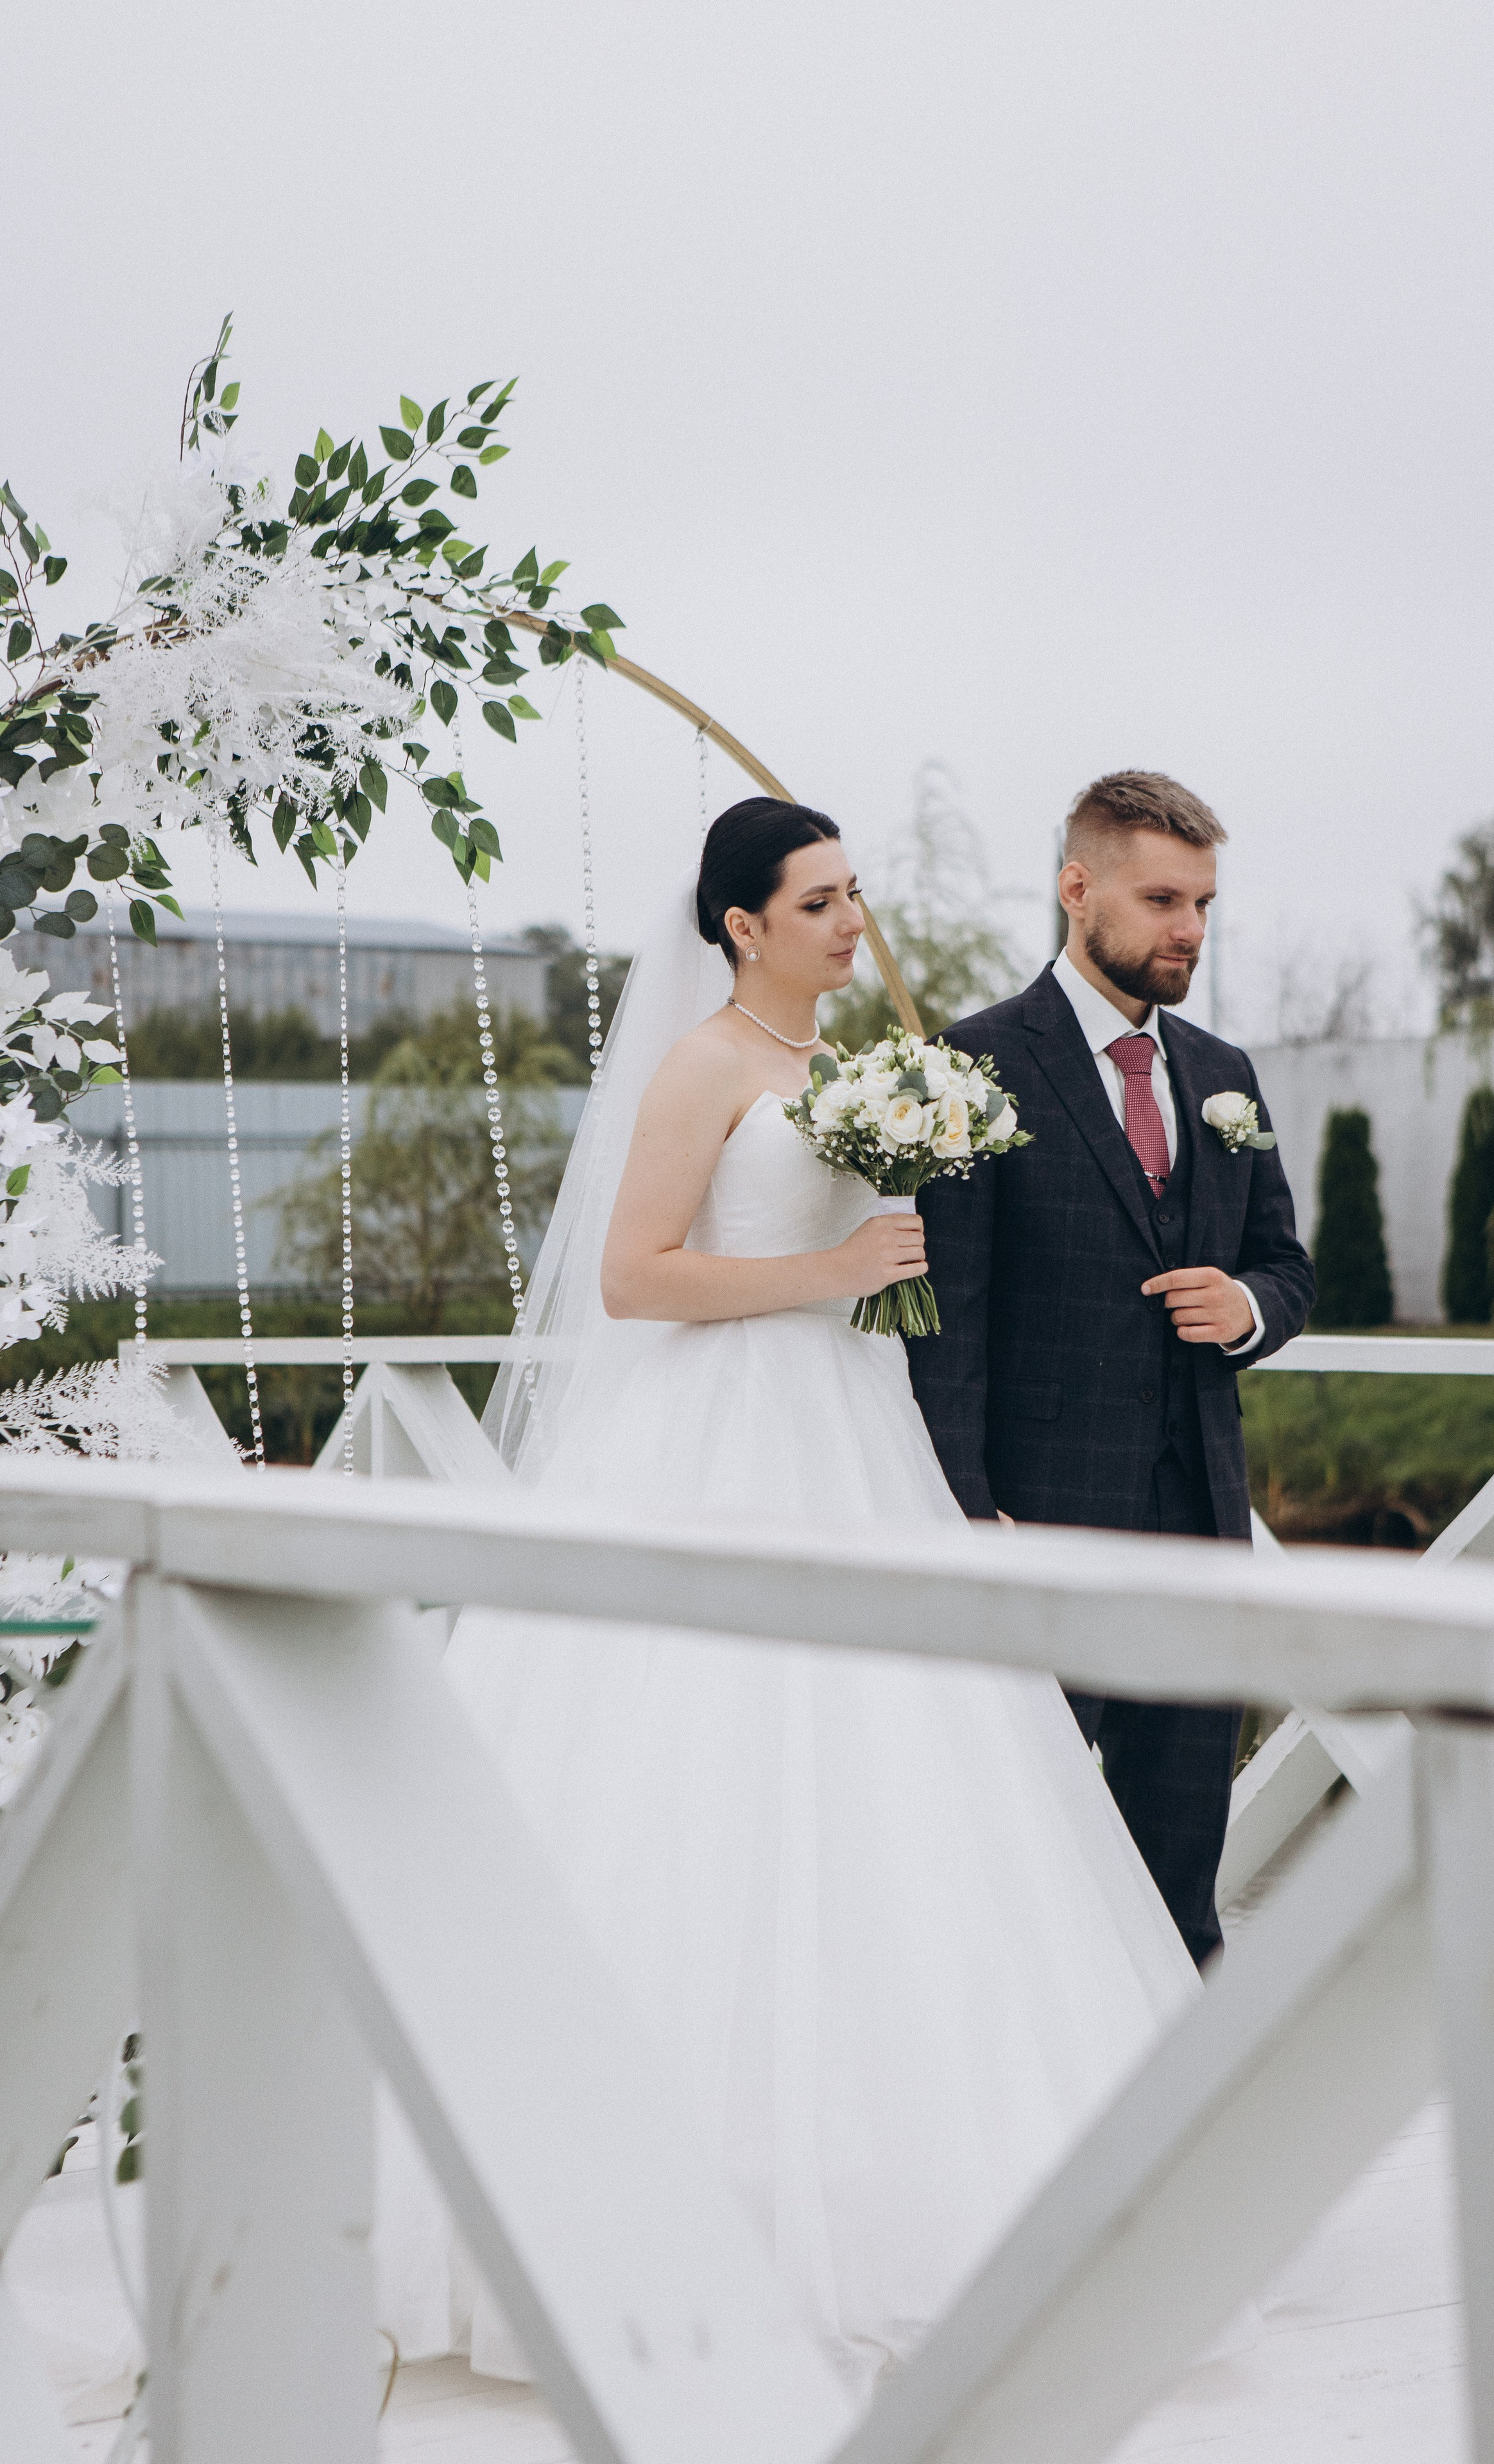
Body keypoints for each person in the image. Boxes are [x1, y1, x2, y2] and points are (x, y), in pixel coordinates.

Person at [379, 797, 1198, 2399]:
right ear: (743, 926)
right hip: (710, 1443)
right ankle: (617, 2212)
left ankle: (915, 2194)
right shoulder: (703, 1071)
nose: (851, 924)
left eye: (854, 895)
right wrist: (829, 1274)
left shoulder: (849, 1076)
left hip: (848, 1434)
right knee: (682, 1784)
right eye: (820, 902)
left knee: (903, 1788)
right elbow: (633, 1275)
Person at [907, 771, 1316, 1969]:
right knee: (1009, 1837)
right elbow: (950, 1325)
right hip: (1039, 1521)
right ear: (1076, 890)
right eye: (1161, 899)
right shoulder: (974, 1063)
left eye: (1202, 903)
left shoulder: (1225, 1069)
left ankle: (1180, 2099)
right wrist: (970, 1514)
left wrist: (1245, 1304)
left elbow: (1286, 1266)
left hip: (1198, 1519)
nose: (1190, 929)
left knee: (1181, 1854)